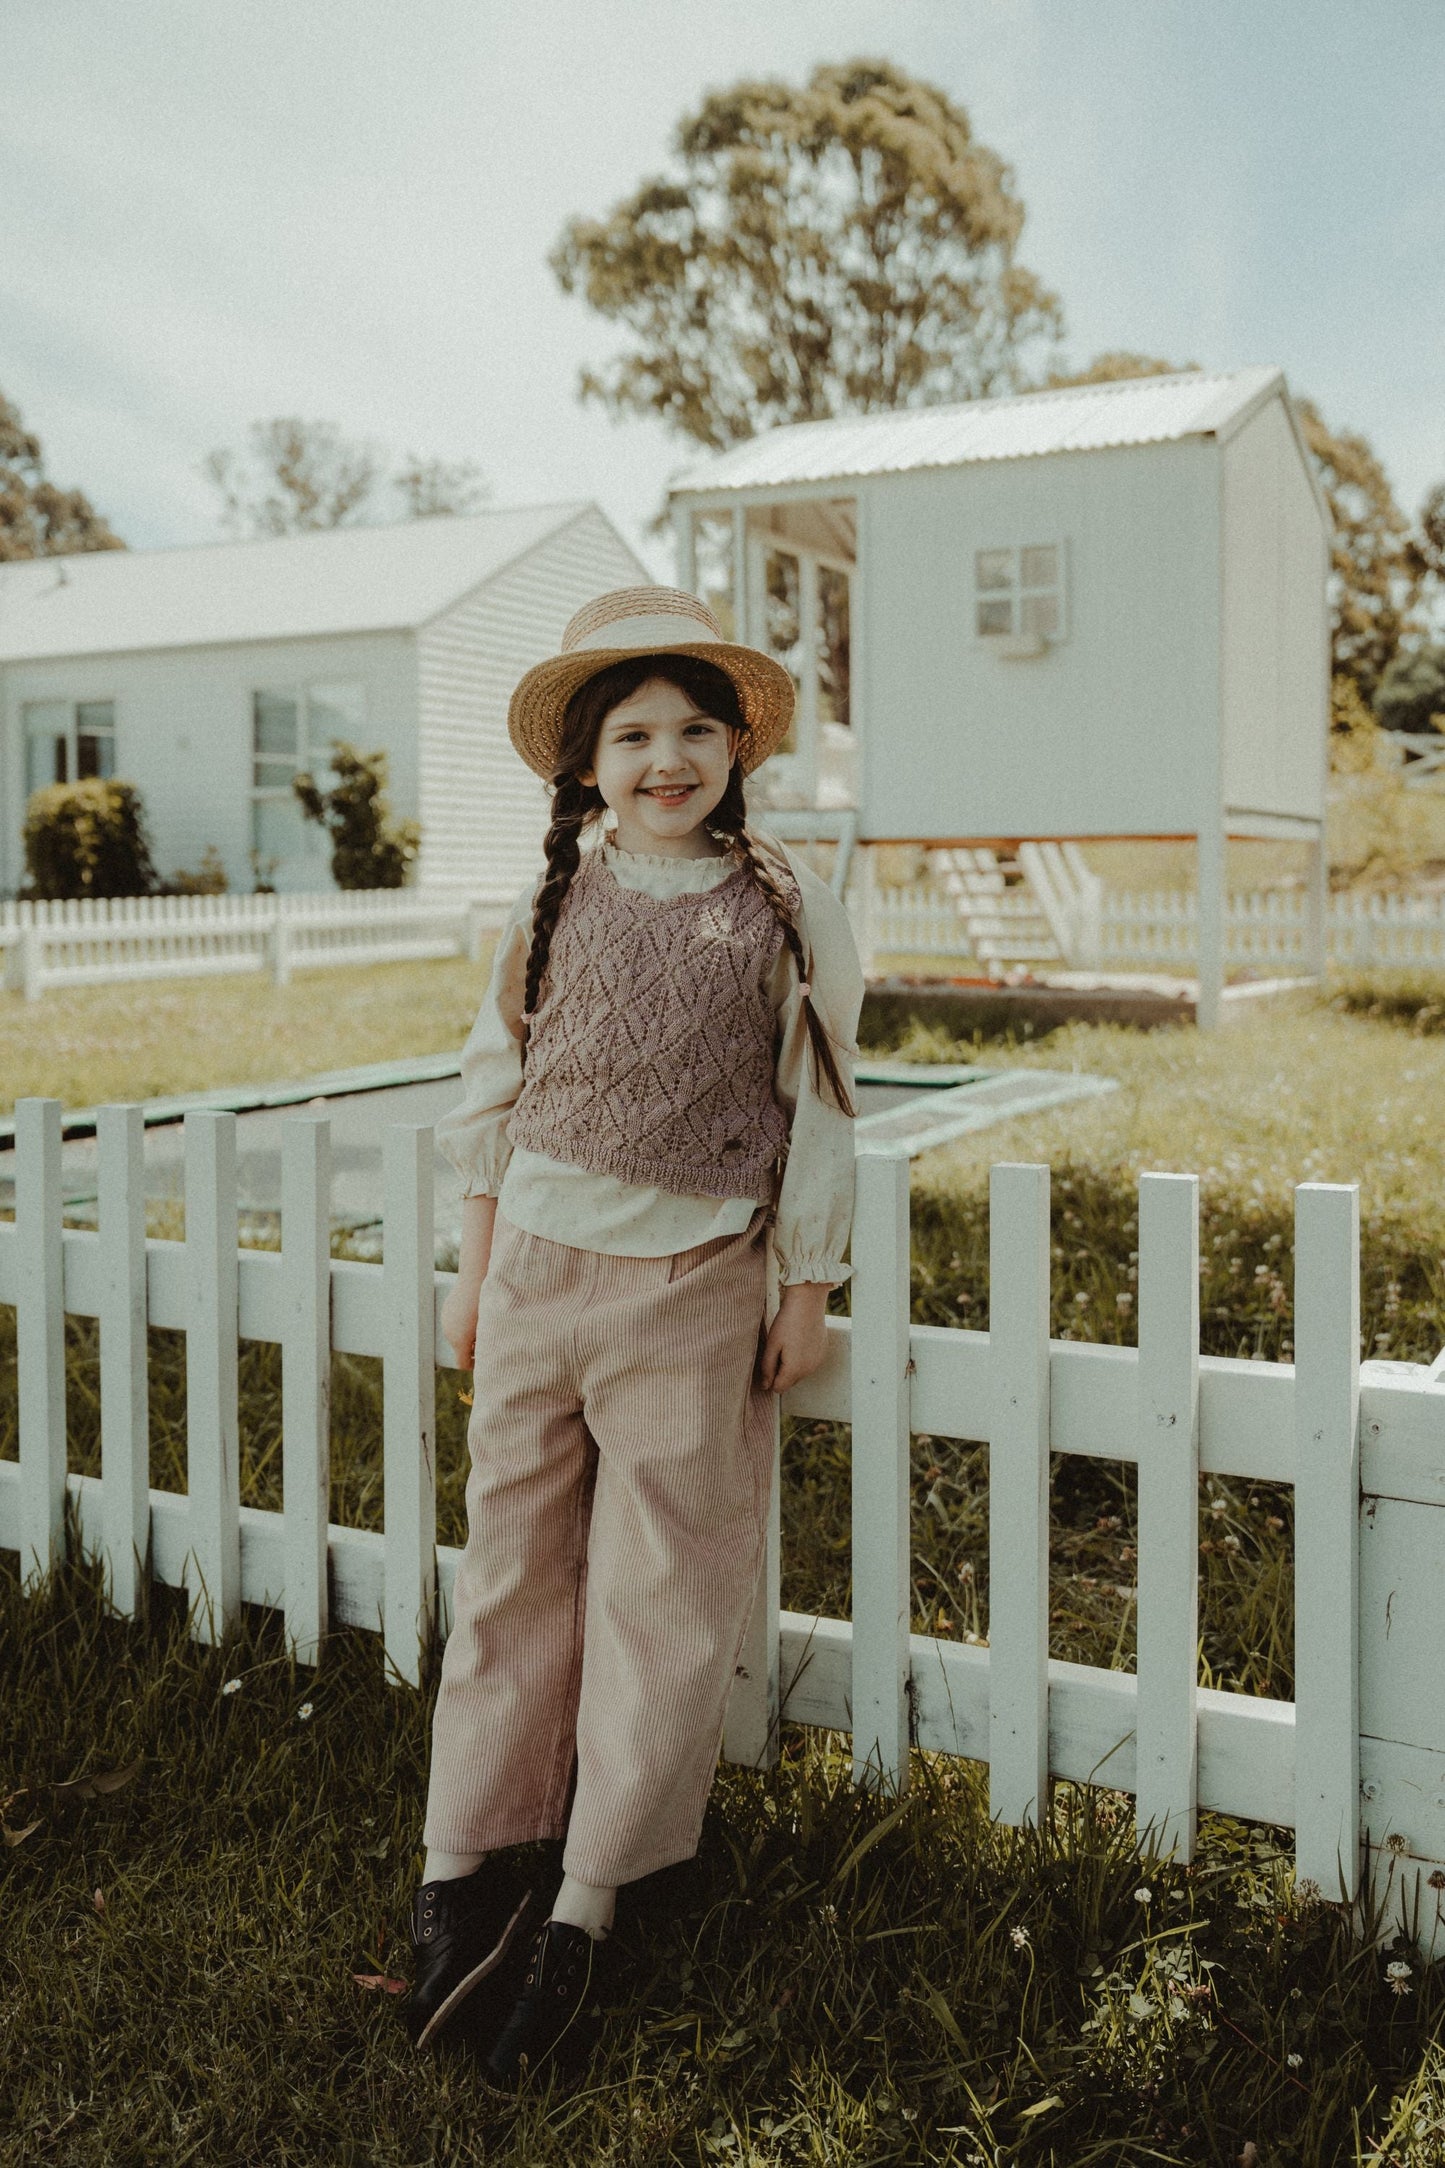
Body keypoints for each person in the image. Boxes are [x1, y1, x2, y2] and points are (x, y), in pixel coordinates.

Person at [406, 585, 863, 2083]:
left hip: (694, 1286)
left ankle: (590, 1896)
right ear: (584, 769)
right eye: (630, 735)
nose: (664, 757)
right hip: (535, 1273)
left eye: (692, 730)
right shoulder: (548, 903)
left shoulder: (781, 907)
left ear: (734, 749)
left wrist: (803, 1283)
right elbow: (490, 1095)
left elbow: (824, 1105)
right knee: (512, 1570)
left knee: (662, 1591)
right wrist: (473, 1274)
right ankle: (465, 1864)